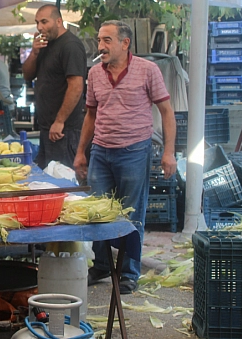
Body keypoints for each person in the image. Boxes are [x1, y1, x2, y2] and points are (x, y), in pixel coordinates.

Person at [74, 20, 176, 295]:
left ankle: (129, 272)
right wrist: (81, 152)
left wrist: (169, 152)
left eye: (107, 40)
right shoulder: (95, 73)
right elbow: (91, 115)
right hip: (101, 150)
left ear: (124, 43)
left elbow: (166, 111)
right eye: (99, 40)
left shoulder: (147, 70)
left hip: (134, 151)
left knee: (131, 213)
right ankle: (103, 265)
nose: (101, 46)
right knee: (98, 211)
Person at [22, 5, 88, 170]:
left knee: (63, 183)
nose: (40, 27)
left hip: (64, 131)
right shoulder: (45, 44)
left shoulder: (70, 45)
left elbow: (76, 86)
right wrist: (34, 53)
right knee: (47, 181)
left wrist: (59, 121)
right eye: (37, 23)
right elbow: (28, 75)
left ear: (59, 21)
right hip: (46, 128)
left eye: (44, 22)